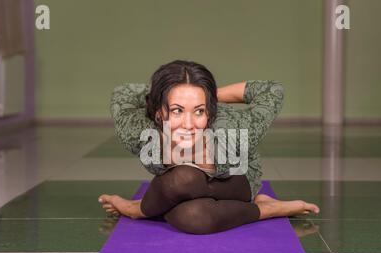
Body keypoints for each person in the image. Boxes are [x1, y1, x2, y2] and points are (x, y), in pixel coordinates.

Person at [99, 60, 319, 234]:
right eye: (176, 110)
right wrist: (166, 91)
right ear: (159, 112)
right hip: (181, 185)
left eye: (199, 111)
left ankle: (136, 209)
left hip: (235, 181)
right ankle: (264, 207)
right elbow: (122, 93)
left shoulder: (234, 128)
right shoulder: (136, 128)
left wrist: (209, 96)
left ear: (209, 112)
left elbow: (272, 90)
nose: (188, 124)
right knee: (191, 216)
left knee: (182, 179)